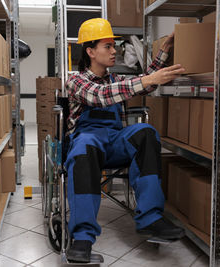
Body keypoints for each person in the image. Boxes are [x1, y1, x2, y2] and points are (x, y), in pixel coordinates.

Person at [65, 18, 186, 263]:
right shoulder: (76, 81)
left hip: (114, 141)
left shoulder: (116, 80)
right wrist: (147, 80)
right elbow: (99, 96)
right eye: (107, 46)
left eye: (114, 46)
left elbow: (145, 83)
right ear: (90, 51)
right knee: (83, 147)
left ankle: (151, 219)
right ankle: (82, 238)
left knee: (146, 132)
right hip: (88, 142)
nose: (114, 51)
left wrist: (166, 48)